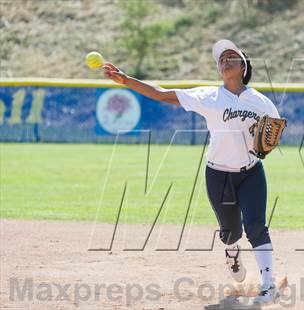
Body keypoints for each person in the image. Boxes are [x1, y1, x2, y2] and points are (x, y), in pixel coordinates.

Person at [103, 39, 281, 304]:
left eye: (231, 55)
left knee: (256, 226)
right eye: (221, 58)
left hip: (251, 173)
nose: (224, 60)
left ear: (243, 65)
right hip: (218, 174)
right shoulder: (208, 96)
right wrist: (126, 80)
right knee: (230, 232)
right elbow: (163, 94)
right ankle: (232, 251)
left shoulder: (261, 102)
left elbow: (273, 136)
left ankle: (268, 284)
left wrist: (268, 145)